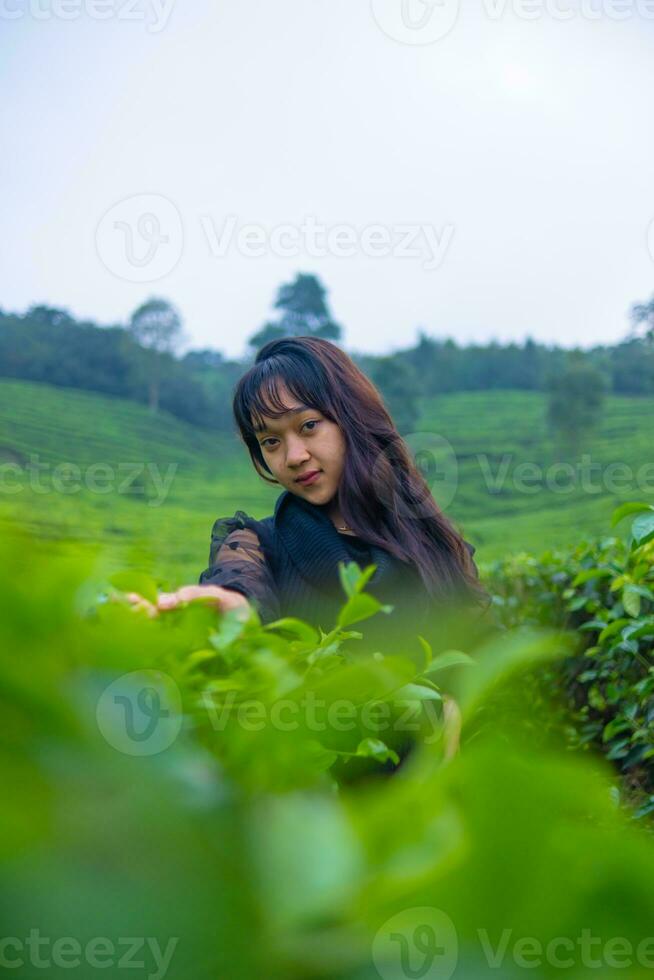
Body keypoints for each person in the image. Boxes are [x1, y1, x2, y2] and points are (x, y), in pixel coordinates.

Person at [130, 336, 490, 655]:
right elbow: (241, 585)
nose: (293, 456)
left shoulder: (428, 541)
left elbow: (480, 651)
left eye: (308, 426)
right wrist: (230, 605)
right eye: (271, 442)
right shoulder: (258, 544)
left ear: (351, 418)